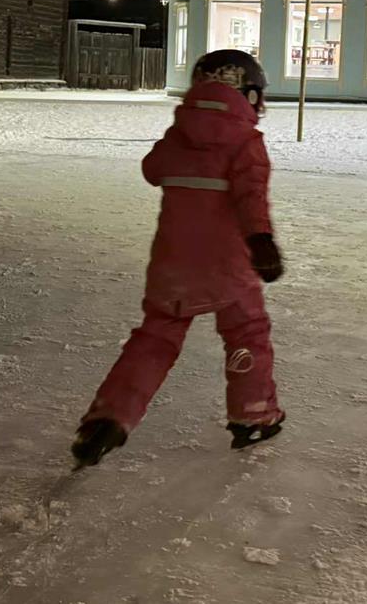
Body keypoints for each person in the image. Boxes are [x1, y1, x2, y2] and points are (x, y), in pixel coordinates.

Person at [72, 49, 286, 468]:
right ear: (246, 95)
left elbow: (152, 169)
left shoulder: (178, 135)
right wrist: (262, 241)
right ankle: (253, 412)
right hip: (229, 265)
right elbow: (251, 198)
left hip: (173, 263)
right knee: (247, 332)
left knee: (156, 338)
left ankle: (108, 418)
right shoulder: (246, 141)